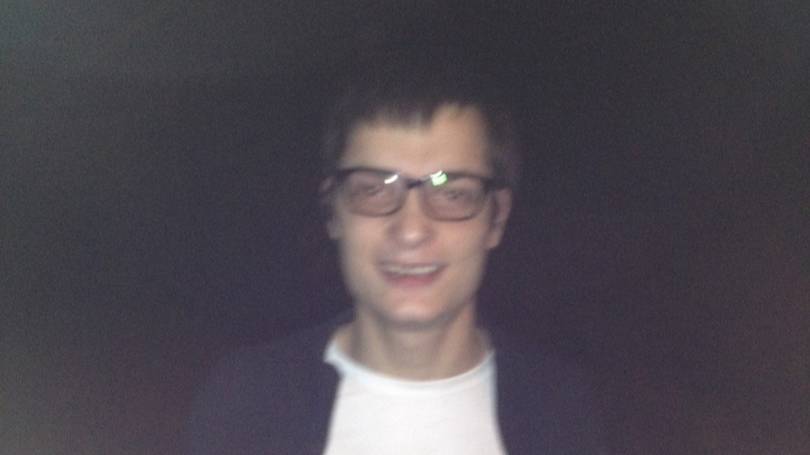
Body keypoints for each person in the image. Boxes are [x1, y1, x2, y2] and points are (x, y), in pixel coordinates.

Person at [186, 55, 607, 454]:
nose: (410, 230)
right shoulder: (246, 403)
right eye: (374, 189)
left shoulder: (560, 411)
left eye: (451, 192)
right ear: (332, 211)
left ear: (496, 218)